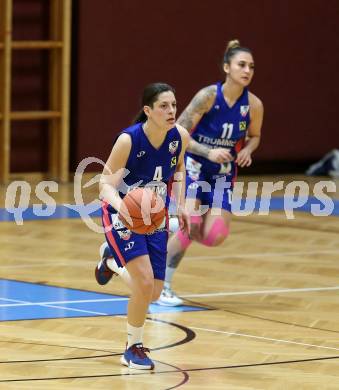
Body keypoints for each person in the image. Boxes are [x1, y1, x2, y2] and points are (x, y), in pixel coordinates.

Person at [157, 39, 264, 306]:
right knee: (189, 221)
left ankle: (159, 235)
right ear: (227, 67)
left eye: (251, 66)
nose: (247, 70)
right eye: (241, 65)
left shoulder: (254, 105)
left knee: (214, 234)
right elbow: (178, 132)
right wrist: (207, 152)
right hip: (193, 166)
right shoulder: (208, 96)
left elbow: (255, 136)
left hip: (222, 175)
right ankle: (161, 285)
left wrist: (249, 150)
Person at [95, 82, 190, 370]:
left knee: (155, 291)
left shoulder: (180, 137)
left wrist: (182, 204)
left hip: (155, 216)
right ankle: (132, 347)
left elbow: (181, 170)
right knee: (145, 282)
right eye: (164, 106)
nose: (171, 111)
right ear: (148, 110)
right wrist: (125, 210)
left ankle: (111, 262)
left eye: (173, 105)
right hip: (122, 212)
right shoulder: (129, 140)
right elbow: (104, 185)